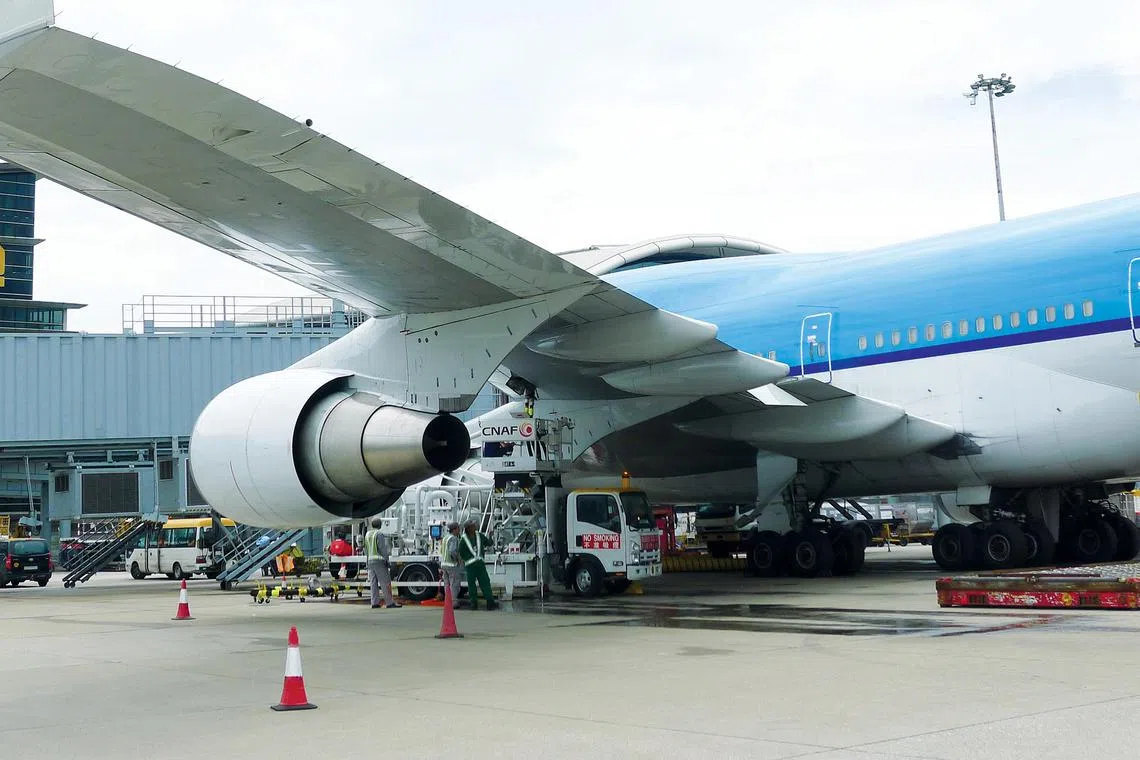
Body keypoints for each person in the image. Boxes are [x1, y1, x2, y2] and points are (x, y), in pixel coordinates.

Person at [458, 520, 497, 610]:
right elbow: (489, 543)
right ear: (468, 528)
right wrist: (491, 537)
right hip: (477, 565)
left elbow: (461, 553)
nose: (475, 526)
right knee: (483, 583)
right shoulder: (477, 536)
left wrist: (491, 536)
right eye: (473, 525)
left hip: (473, 565)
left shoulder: (464, 539)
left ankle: (476, 603)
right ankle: (488, 602)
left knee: (479, 583)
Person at [365, 518, 401, 609]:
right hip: (379, 561)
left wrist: (367, 561)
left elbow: (366, 550)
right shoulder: (379, 534)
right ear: (380, 525)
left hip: (370, 562)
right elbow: (382, 548)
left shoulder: (367, 534)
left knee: (373, 583)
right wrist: (387, 560)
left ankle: (374, 602)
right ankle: (389, 602)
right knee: (385, 582)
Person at [437, 522, 463, 604]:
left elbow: (441, 551)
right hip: (452, 565)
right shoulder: (453, 538)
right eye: (458, 528)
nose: (459, 530)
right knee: (454, 584)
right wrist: (457, 559)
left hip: (444, 564)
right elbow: (452, 551)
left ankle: (448, 602)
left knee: (447, 585)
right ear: (454, 529)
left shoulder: (445, 538)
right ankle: (454, 602)